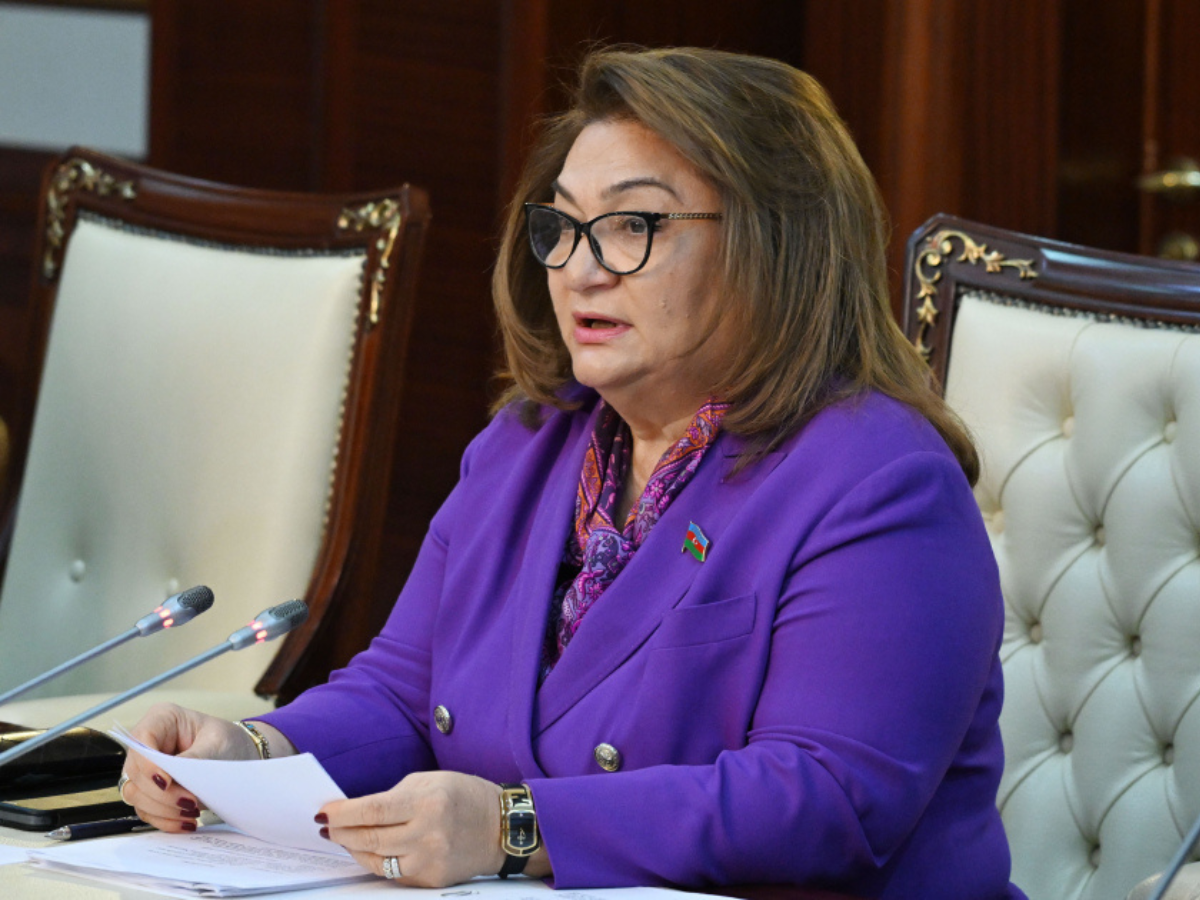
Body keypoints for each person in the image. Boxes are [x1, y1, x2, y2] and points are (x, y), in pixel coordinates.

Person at [119, 46, 1026, 899]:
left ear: (774, 244)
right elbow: (403, 693)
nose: (580, 270)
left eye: (632, 225)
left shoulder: (880, 482)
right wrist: (250, 752)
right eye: (562, 225)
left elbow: (825, 798)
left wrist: (514, 828)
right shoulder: (528, 442)